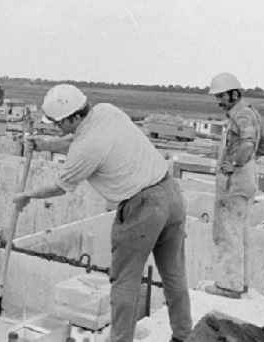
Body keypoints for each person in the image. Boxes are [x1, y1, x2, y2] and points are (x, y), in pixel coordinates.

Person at [13, 84, 191, 342]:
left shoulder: (86, 149)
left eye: (59, 123)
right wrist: (44, 144)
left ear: (74, 116)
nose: (56, 127)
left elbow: (60, 186)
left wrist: (27, 195)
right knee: (174, 274)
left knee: (124, 283)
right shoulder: (106, 112)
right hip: (170, 194)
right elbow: (78, 139)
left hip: (141, 208)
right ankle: (184, 335)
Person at [204, 73, 264, 299]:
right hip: (245, 181)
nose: (218, 101)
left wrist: (235, 163)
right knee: (239, 234)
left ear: (234, 94)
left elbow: (249, 143)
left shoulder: (242, 115)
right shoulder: (250, 113)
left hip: (235, 184)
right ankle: (240, 283)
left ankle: (228, 286)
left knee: (227, 233)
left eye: (221, 96)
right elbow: (263, 143)